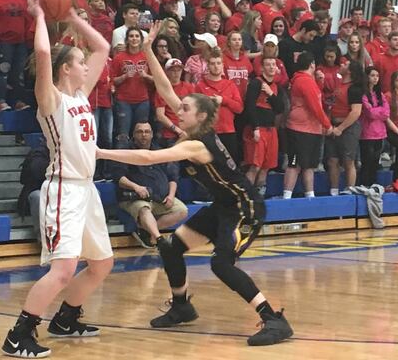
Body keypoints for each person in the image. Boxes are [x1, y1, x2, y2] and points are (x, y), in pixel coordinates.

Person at [98, 31, 294, 346]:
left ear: (200, 116)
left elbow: (149, 156)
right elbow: (163, 87)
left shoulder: (197, 145)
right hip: (223, 205)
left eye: (185, 108)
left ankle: (274, 319)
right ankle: (182, 306)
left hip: (246, 208)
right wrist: (149, 50)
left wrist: (101, 152)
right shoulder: (195, 125)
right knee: (172, 247)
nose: (179, 110)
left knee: (220, 263)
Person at [1, 0, 113, 357]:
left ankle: (66, 318)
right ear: (66, 69)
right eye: (79, 63)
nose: (86, 66)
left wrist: (72, 17)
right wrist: (39, 18)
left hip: (86, 190)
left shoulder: (81, 95)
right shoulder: (50, 99)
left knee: (101, 264)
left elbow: (103, 46)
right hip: (63, 189)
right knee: (63, 270)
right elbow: (45, 57)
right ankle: (19, 334)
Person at [114, 121, 188, 248]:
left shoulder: (159, 151)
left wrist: (171, 195)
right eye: (140, 132)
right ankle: (159, 240)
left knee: (182, 210)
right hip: (135, 198)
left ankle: (144, 231)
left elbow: (173, 177)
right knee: (144, 209)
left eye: (147, 132)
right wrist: (136, 187)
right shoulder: (126, 151)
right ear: (133, 134)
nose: (144, 135)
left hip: (160, 198)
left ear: (152, 134)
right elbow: (118, 177)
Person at [283, 52, 332, 199]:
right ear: (312, 65)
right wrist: (327, 125)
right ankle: (287, 198)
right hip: (300, 129)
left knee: (309, 165)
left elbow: (316, 100)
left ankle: (310, 196)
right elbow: (315, 106)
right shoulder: (304, 81)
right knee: (295, 164)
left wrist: (320, 83)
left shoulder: (306, 81)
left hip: (310, 129)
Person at [244, 57, 284, 196]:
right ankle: (247, 195)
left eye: (274, 64)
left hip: (271, 129)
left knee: (266, 167)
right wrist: (255, 127)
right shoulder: (256, 83)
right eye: (268, 64)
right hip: (258, 129)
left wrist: (270, 94)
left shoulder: (276, 87)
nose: (272, 67)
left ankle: (260, 196)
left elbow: (280, 108)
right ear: (262, 68)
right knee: (255, 165)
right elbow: (249, 106)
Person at [194, 49, 244, 160]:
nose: (216, 66)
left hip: (228, 132)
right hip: (208, 132)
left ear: (222, 65)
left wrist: (223, 100)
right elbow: (196, 111)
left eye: (218, 63)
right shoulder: (200, 86)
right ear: (208, 66)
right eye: (212, 63)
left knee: (231, 167)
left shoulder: (230, 85)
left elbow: (239, 108)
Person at [324, 60, 363, 195]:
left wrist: (340, 128)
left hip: (348, 128)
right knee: (332, 160)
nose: (341, 65)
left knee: (348, 161)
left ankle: (349, 190)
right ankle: (334, 191)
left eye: (345, 64)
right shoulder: (339, 85)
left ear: (350, 71)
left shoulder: (354, 88)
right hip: (334, 126)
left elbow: (356, 112)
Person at [111, 27, 152, 144]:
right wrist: (124, 76)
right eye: (131, 36)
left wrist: (146, 76)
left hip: (143, 101)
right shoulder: (119, 58)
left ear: (141, 39)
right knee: (123, 134)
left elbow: (157, 80)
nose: (134, 39)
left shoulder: (147, 56)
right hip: (123, 101)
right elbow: (112, 81)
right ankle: (121, 161)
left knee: (142, 136)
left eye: (137, 36)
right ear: (127, 40)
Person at [359, 67, 390, 187]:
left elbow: (387, 113)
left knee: (375, 163)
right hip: (367, 133)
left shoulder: (379, 94)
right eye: (372, 75)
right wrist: (380, 111)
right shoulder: (363, 93)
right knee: (367, 162)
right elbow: (369, 113)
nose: (375, 78)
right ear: (367, 77)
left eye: (377, 76)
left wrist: (377, 111)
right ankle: (364, 185)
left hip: (380, 133)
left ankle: (372, 185)